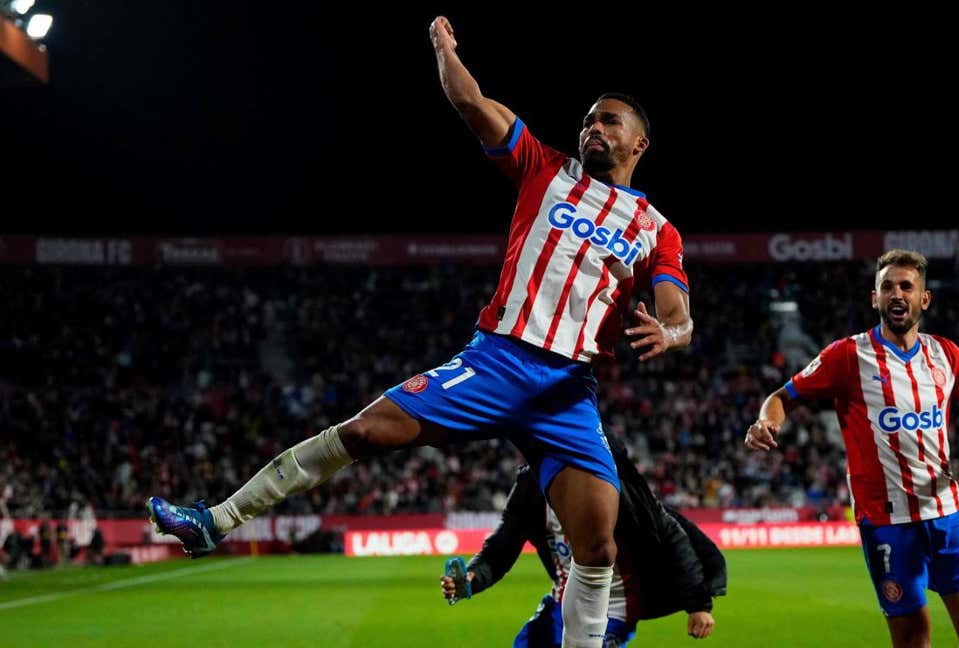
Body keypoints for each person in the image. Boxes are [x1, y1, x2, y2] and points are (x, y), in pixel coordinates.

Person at [148, 15, 692, 648]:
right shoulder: (546, 168)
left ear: (639, 144)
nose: (593, 127)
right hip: (497, 361)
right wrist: (443, 49)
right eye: (589, 119)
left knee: (597, 545)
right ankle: (216, 520)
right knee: (364, 430)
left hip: (567, 389)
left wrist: (669, 333)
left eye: (609, 121)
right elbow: (468, 100)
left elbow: (677, 310)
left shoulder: (656, 228)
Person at [744, 249, 959, 648]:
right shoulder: (847, 355)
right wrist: (767, 422)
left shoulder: (946, 354)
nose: (897, 294)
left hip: (948, 513)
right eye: (887, 287)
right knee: (914, 639)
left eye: (906, 286)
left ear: (924, 298)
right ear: (874, 298)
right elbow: (783, 395)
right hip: (887, 523)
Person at [439, 433, 723, 646]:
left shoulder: (613, 486)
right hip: (559, 604)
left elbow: (671, 535)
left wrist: (698, 604)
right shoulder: (530, 487)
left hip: (613, 607)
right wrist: (471, 579)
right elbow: (501, 548)